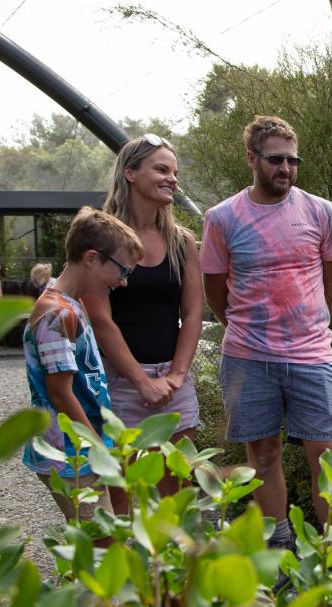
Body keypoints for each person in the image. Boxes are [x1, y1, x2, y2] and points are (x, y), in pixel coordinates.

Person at [201, 115, 332, 553]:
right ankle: (279, 547)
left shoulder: (321, 211)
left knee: (330, 458)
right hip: (247, 357)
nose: (285, 168)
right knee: (262, 455)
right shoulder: (222, 218)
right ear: (252, 159)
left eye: (292, 160)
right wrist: (249, 330)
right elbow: (215, 290)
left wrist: (310, 324)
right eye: (275, 159)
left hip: (312, 356)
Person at [82, 134, 202, 510]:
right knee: (123, 493)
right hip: (121, 383)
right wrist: (140, 381)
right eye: (161, 169)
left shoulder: (183, 242)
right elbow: (100, 317)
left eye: (175, 172)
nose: (172, 179)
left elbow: (194, 311)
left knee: (177, 492)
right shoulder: (101, 237)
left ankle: (172, 567)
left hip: (173, 382)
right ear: (130, 173)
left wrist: (178, 375)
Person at [21, 207, 142, 525]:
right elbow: (60, 394)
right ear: (91, 258)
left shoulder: (72, 306)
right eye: (122, 271)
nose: (123, 282)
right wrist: (99, 449)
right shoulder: (57, 314)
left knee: (108, 537)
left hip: (86, 448)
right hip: (71, 455)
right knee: (100, 549)